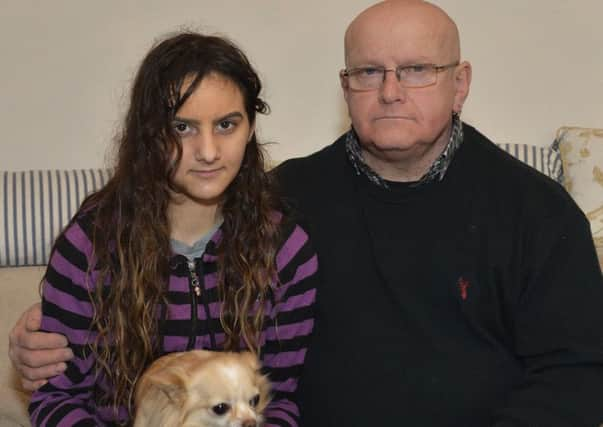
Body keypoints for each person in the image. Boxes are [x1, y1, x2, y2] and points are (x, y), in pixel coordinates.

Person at [9, 1, 603, 426]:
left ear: (460, 82)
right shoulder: (283, 198)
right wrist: (43, 330)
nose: (391, 90)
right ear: (345, 87)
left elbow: (579, 375)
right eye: (369, 72)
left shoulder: (537, 212)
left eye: (418, 70)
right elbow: (178, 292)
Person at [20, 31, 318, 426]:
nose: (208, 151)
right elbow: (55, 397)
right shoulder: (90, 245)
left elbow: (281, 399)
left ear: (250, 128)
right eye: (183, 128)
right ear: (149, 135)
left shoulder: (285, 249)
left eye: (227, 124)